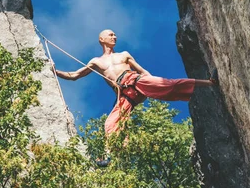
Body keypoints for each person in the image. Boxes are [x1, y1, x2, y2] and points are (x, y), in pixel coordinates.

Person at [53, 29, 217, 146]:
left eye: (115, 35)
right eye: (111, 35)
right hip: (125, 93)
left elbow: (142, 70)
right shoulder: (96, 62)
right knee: (110, 123)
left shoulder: (124, 54)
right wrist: (55, 71)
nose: (114, 37)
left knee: (170, 85)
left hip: (136, 80)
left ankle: (209, 82)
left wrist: (153, 81)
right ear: (101, 39)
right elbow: (74, 75)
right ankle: (111, 154)